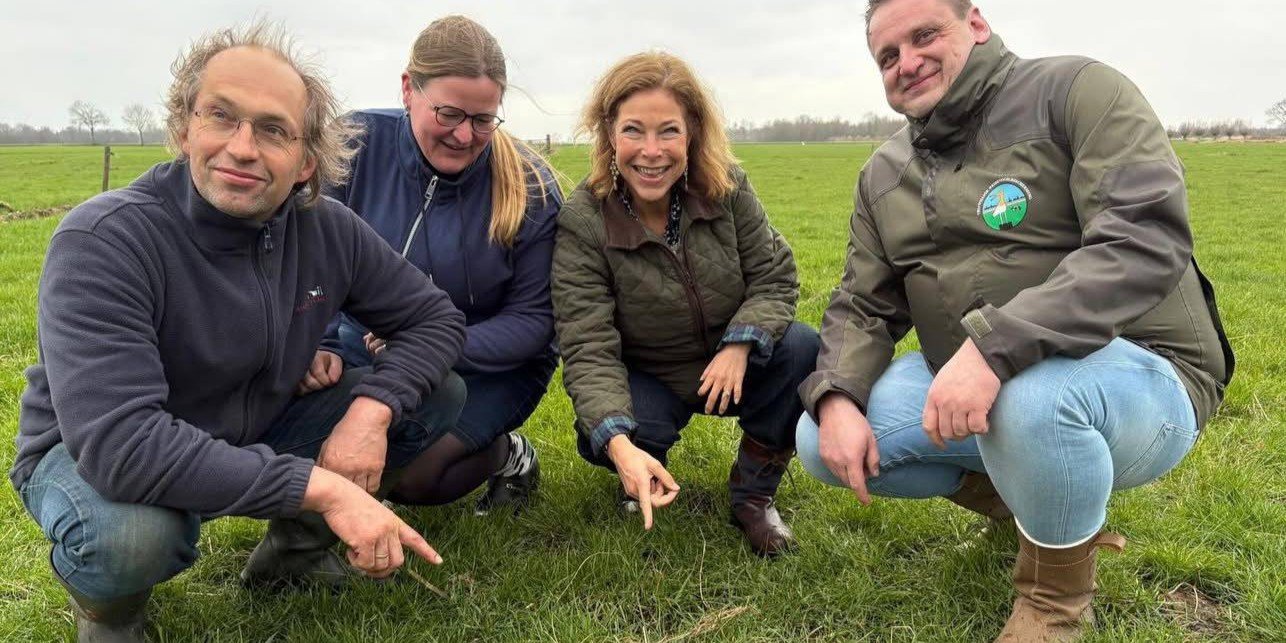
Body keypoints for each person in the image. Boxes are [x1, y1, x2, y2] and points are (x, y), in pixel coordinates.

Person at [11, 22, 469, 641]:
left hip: (248, 422)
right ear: (184, 128)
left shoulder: (326, 228)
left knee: (436, 396)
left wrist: (371, 412)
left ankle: (293, 554)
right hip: (95, 453)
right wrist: (324, 490)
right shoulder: (106, 239)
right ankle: (110, 613)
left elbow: (434, 319)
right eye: (220, 116)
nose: (243, 147)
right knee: (132, 537)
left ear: (308, 160)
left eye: (273, 129)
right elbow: (123, 445)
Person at [794, 1, 1234, 640]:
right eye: (887, 56)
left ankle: (1053, 606)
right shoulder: (883, 174)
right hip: (983, 378)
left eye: (924, 36)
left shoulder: (1077, 90)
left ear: (975, 24)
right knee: (821, 441)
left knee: (1033, 400)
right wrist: (834, 397)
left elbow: (1141, 239)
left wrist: (993, 347)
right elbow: (862, 303)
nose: (906, 63)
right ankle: (1034, 507)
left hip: (1144, 370)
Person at [553, 52, 820, 557]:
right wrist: (617, 440)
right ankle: (638, 469)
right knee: (615, 433)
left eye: (668, 131)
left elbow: (775, 276)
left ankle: (753, 496)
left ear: (693, 132)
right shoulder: (584, 219)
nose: (651, 152)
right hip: (651, 373)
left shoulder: (728, 188)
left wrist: (740, 344)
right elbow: (587, 344)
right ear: (609, 133)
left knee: (803, 348)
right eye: (634, 130)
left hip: (729, 363)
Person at [322, 15, 561, 515]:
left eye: (484, 119)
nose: (464, 135)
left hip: (490, 366)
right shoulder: (351, 147)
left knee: (412, 477)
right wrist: (318, 347)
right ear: (409, 89)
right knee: (317, 445)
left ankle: (506, 454)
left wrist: (428, 347)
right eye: (449, 114)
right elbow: (308, 265)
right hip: (366, 351)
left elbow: (535, 322)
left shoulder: (532, 188)